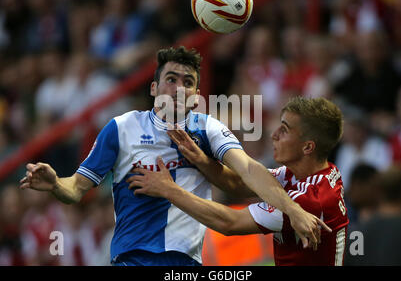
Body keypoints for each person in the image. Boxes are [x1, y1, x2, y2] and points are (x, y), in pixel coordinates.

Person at [20, 46, 325, 266]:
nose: (179, 87)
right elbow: (76, 189)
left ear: (195, 97)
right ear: (154, 88)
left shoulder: (208, 129)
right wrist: (56, 184)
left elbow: (248, 171)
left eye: (188, 82)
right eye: (171, 79)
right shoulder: (121, 128)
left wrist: (293, 210)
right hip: (131, 258)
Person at [129, 96, 348, 266]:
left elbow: (229, 223)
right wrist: (200, 160)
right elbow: (240, 185)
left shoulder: (309, 200)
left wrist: (169, 191)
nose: (274, 134)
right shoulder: (304, 174)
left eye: (285, 129)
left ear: (308, 147)